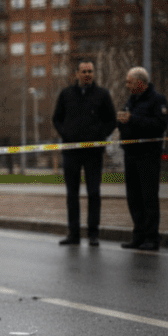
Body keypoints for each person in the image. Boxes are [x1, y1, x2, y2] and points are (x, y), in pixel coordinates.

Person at [51, 60, 117, 246]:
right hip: (71, 151)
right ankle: (74, 234)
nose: (87, 74)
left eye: (90, 71)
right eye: (84, 71)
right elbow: (56, 118)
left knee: (93, 192)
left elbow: (111, 120)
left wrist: (100, 135)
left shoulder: (102, 95)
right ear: (77, 73)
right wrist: (65, 133)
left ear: (93, 73)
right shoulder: (66, 94)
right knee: (72, 194)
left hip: (93, 152)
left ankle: (93, 234)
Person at [117, 66, 168, 251]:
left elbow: (159, 126)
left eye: (129, 82)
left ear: (140, 83)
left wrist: (132, 120)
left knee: (148, 199)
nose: (127, 85)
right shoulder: (131, 100)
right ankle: (138, 237)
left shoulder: (157, 100)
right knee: (134, 199)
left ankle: (152, 238)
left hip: (148, 156)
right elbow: (125, 122)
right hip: (131, 155)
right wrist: (122, 121)